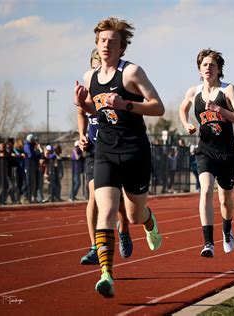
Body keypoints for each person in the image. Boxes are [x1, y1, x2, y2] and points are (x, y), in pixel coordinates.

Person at [74, 17, 164, 298]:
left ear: (122, 46)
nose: (106, 45)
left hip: (134, 150)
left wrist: (126, 103)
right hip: (105, 152)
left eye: (112, 41)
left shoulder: (132, 73)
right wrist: (83, 103)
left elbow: (158, 107)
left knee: (135, 215)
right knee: (108, 211)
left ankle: (149, 221)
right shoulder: (90, 77)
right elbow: (96, 110)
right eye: (102, 41)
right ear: (97, 44)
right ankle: (106, 275)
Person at [179, 48, 234, 258]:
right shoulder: (194, 92)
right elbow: (183, 109)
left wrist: (221, 111)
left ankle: (227, 230)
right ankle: (208, 243)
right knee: (206, 189)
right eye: (204, 65)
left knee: (225, 200)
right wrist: (187, 124)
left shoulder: (228, 90)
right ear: (199, 69)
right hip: (205, 151)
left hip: (227, 153)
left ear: (219, 69)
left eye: (212, 65)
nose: (208, 68)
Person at [78, 48, 134, 266]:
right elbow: (81, 112)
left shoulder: (115, 88)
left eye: (100, 65)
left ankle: (124, 230)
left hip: (116, 148)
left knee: (119, 202)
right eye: (94, 65)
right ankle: (95, 247)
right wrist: (82, 135)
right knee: (94, 196)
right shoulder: (87, 89)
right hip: (95, 152)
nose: (97, 69)